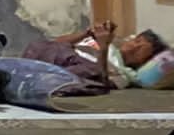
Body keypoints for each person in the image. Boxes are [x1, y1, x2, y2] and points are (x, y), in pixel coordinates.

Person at [21, 22, 165, 89]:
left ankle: (37, 77)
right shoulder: (107, 43)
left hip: (75, 69)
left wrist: (103, 47)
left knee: (92, 71)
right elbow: (57, 42)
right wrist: (88, 33)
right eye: (137, 41)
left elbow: (102, 81)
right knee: (40, 44)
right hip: (60, 54)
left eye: (142, 49)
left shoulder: (124, 74)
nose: (135, 47)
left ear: (143, 61)